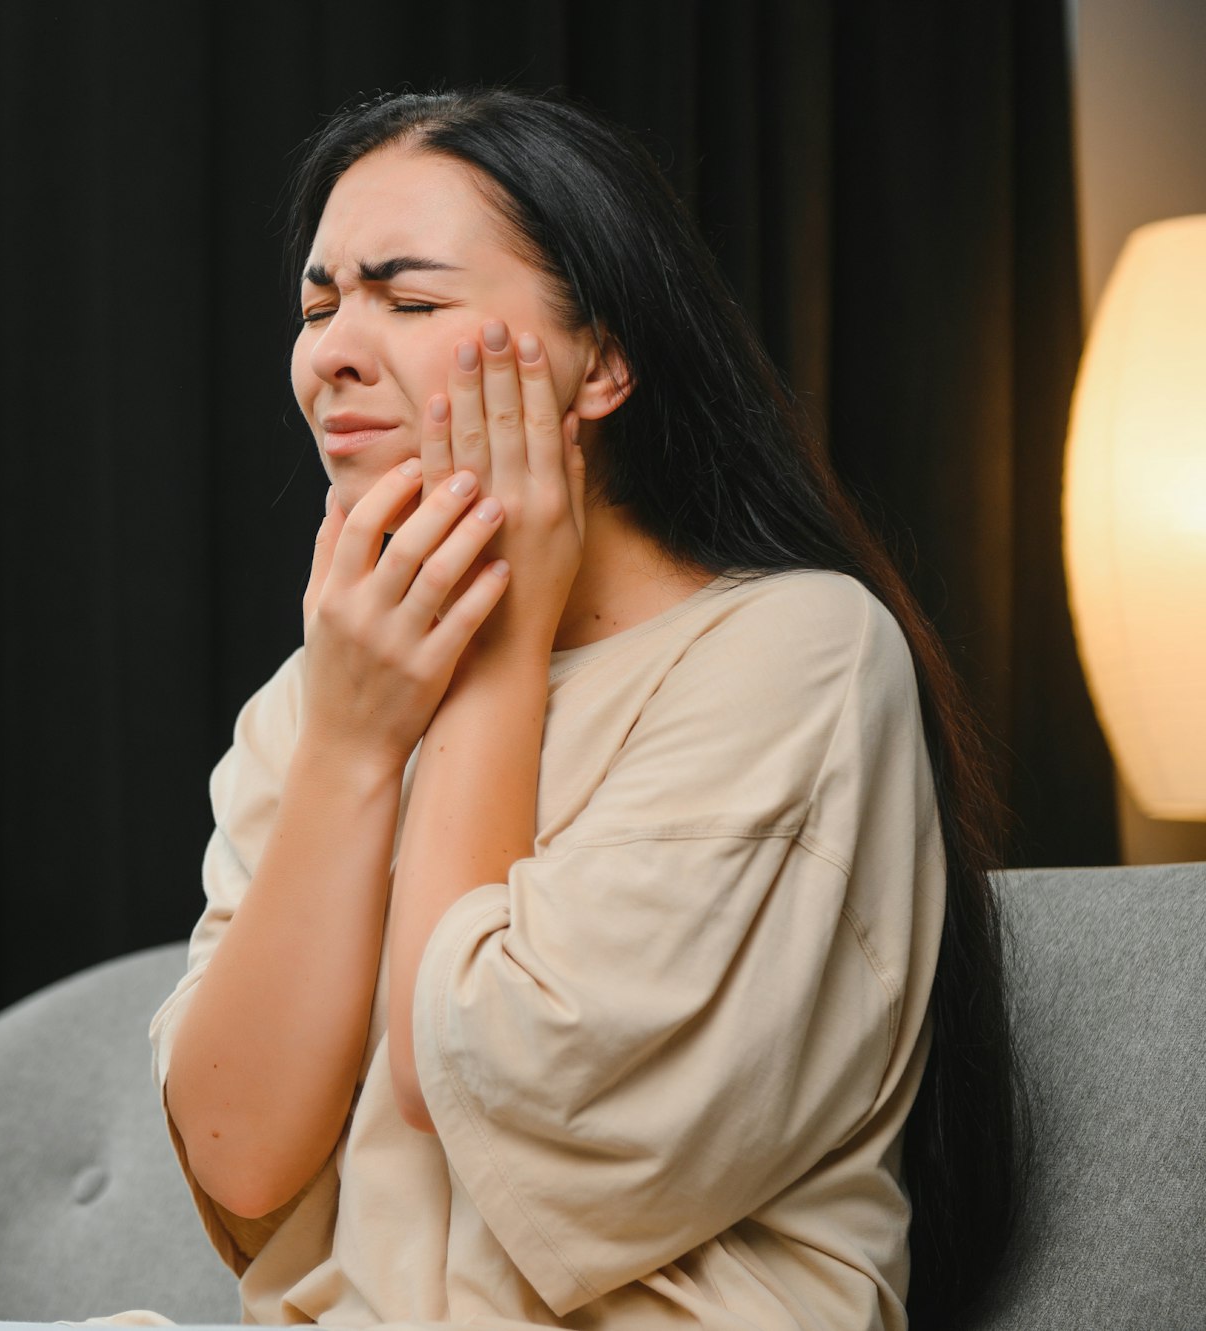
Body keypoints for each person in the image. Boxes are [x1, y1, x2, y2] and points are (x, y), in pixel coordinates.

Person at [81, 85, 1030, 1331]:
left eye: (409, 301)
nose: (333, 351)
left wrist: (495, 656)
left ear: (605, 359)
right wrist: (354, 740)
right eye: (317, 304)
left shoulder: (793, 652)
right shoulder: (322, 696)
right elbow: (237, 1151)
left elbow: (477, 1068)